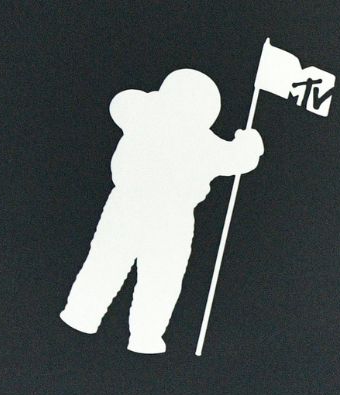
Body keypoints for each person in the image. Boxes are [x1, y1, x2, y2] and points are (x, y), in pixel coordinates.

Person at [60, 69, 264, 354]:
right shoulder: (190, 136)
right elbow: (239, 159)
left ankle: (92, 317)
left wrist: (247, 147)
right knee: (153, 276)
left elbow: (121, 102)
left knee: (126, 267)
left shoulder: (149, 117)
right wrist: (249, 143)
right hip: (156, 213)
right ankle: (136, 333)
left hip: (145, 209)